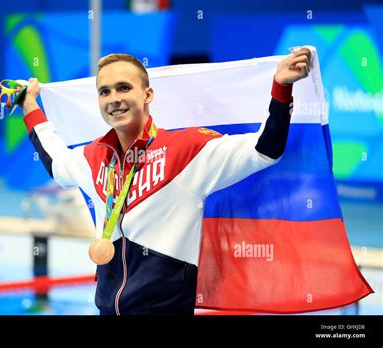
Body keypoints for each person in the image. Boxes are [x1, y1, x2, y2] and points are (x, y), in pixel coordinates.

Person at [19, 49, 312, 315]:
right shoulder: (93, 157)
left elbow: (264, 150)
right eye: (104, 91)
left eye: (124, 87)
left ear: (148, 95)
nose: (113, 98)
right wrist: (29, 105)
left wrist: (282, 87)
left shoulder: (187, 150)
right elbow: (56, 161)